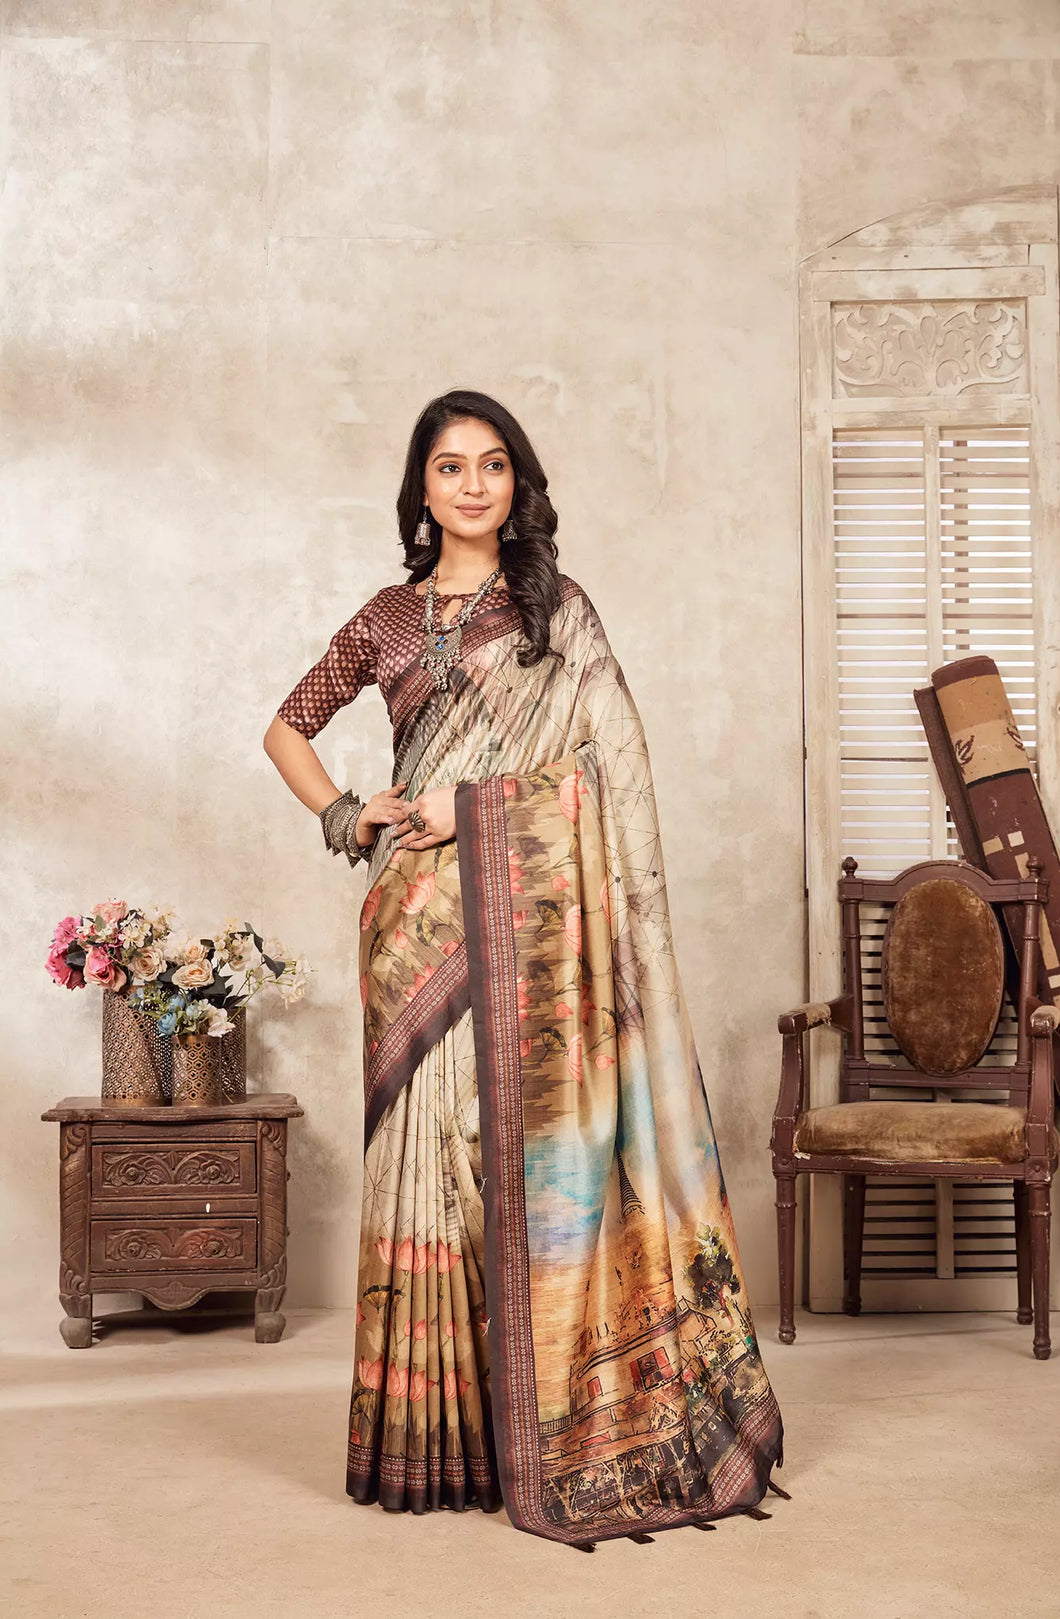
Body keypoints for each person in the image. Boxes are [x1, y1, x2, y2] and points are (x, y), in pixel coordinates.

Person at [264, 389, 784, 1550]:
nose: (474, 485)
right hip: (413, 927)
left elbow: (612, 771)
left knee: (512, 1161)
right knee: (423, 1165)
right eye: (451, 467)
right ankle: (432, 1443)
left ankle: (531, 1428)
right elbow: (286, 727)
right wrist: (354, 814)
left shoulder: (557, 610)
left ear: (517, 483)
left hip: (530, 922)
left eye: (494, 465)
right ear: (423, 488)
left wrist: (473, 803)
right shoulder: (387, 619)